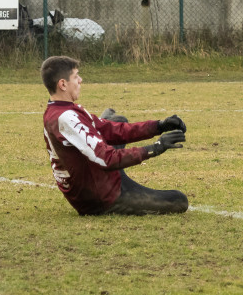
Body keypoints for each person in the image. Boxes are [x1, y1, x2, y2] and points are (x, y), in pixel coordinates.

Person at [41, 55, 189, 215]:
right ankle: (117, 201)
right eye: (76, 76)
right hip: (100, 196)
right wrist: (155, 148)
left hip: (95, 180)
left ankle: (106, 119)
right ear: (63, 84)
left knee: (117, 121)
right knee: (178, 200)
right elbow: (107, 159)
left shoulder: (61, 109)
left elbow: (112, 130)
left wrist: (158, 126)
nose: (80, 80)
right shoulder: (65, 117)